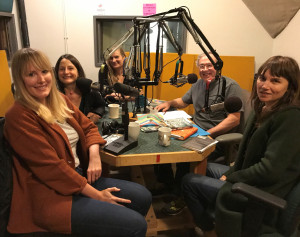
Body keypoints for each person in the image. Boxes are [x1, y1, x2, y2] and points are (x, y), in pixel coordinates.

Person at [4, 48, 152, 237]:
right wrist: (97, 196)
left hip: (79, 177)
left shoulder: (59, 100)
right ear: (20, 79)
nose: (41, 79)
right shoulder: (18, 116)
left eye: (44, 71)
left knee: (143, 196)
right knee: (135, 225)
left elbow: (89, 128)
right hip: (51, 195)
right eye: (31, 74)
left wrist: (94, 156)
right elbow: (52, 169)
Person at [182, 55, 300, 237]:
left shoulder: (290, 118)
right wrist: (230, 173)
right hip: (247, 175)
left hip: (260, 191)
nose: (264, 85)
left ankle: (210, 230)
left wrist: (232, 177)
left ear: (290, 86)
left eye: (275, 81)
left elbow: (269, 170)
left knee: (189, 181)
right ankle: (213, 220)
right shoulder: (263, 108)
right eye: (262, 78)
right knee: (202, 167)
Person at [153, 52, 243, 215]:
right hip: (194, 130)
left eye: (210, 65)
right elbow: (183, 101)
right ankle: (171, 186)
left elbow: (234, 119)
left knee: (184, 156)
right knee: (162, 142)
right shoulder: (198, 84)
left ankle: (184, 197)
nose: (206, 69)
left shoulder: (230, 86)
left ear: (217, 67)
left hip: (215, 138)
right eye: (202, 66)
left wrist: (208, 133)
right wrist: (169, 103)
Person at [54, 54, 106, 123]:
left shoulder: (89, 89)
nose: (66, 72)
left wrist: (96, 113)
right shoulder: (54, 94)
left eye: (70, 68)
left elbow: (101, 105)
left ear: (78, 71)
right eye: (62, 69)